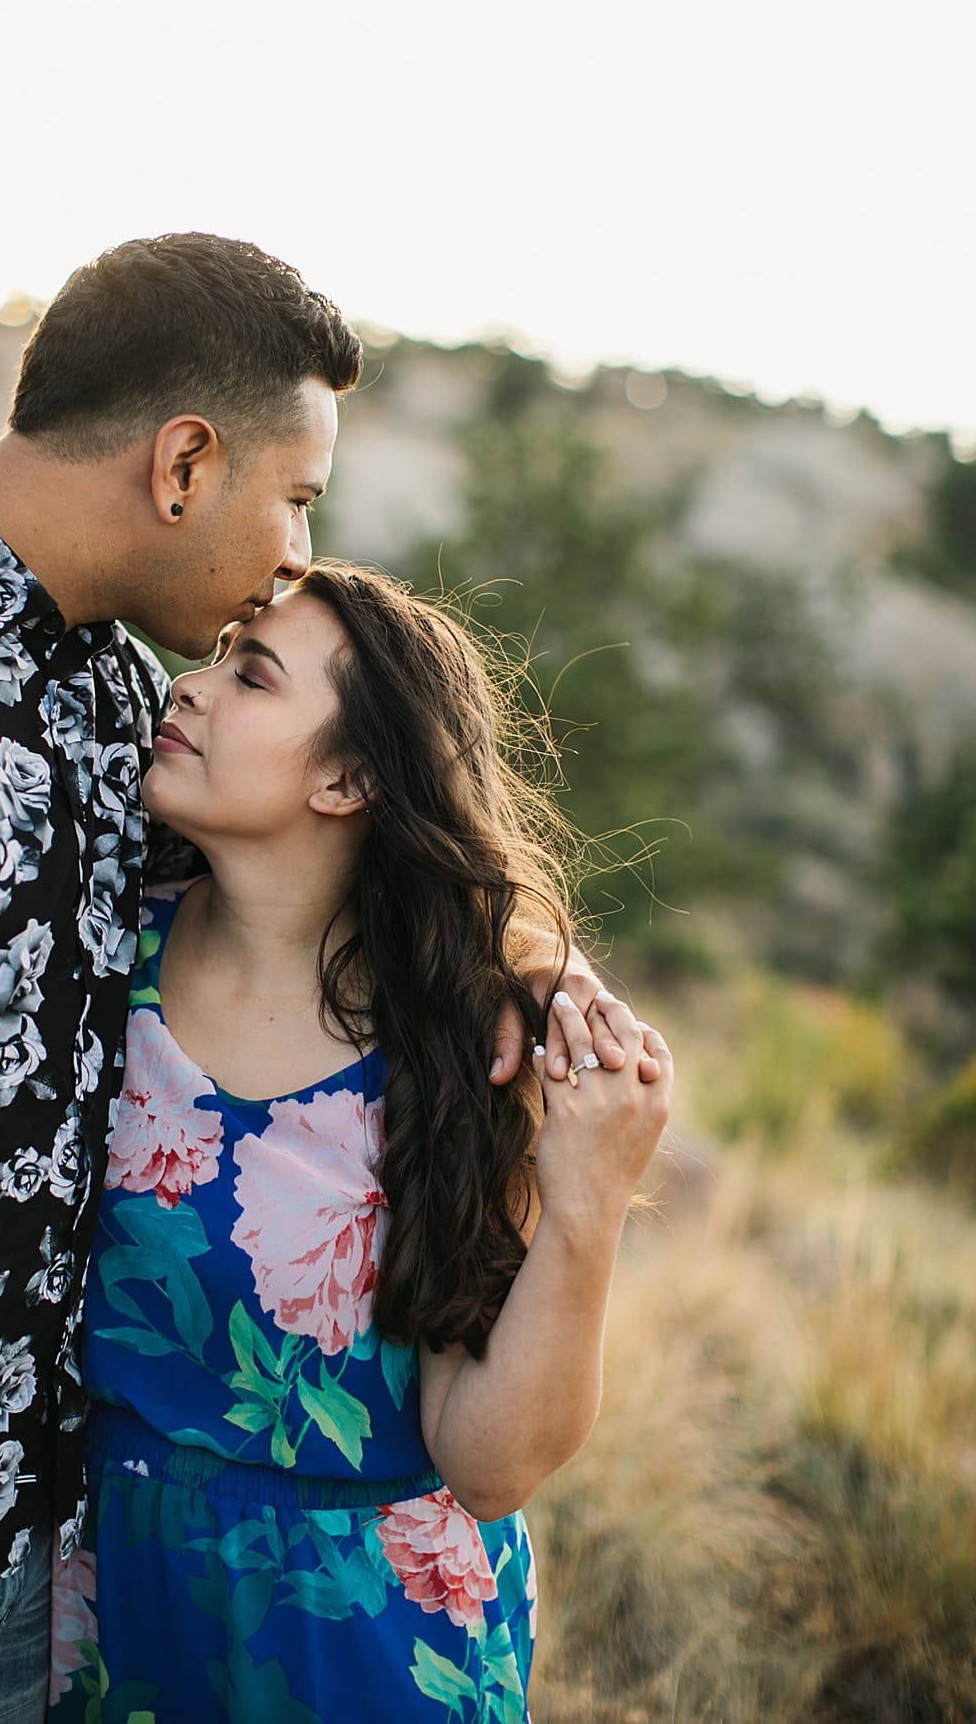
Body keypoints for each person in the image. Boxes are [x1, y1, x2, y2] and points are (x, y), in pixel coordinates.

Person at [0, 235, 631, 1724]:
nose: (296, 548)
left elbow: (323, 869)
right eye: (294, 495)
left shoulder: (108, 689)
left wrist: (518, 979)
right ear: (185, 463)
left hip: (51, 1559)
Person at [47, 564, 672, 1723]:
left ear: (347, 775)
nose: (184, 690)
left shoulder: (457, 1050)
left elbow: (487, 1461)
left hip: (364, 1639)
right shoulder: (96, 945)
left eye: (249, 675)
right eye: (215, 655)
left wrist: (582, 1201)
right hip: (114, 1601)